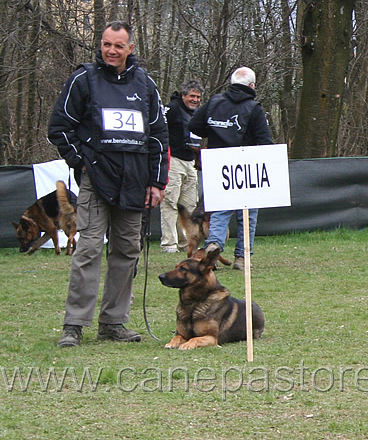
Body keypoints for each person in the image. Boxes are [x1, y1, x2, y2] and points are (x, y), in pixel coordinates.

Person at [48, 21, 169, 347]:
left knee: (127, 251)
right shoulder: (83, 79)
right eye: (106, 44)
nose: (111, 51)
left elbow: (158, 136)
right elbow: (59, 127)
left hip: (135, 182)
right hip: (96, 180)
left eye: (118, 45)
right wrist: (82, 163)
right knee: (87, 249)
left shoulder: (146, 85)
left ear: (130, 48)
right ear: (100, 46)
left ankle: (114, 322)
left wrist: (156, 182)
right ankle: (74, 325)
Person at [189, 67, 273, 270]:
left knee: (219, 210)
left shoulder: (214, 102)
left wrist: (215, 132)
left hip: (219, 164)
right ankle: (242, 258)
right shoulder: (254, 108)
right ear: (252, 86)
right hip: (247, 166)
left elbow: (194, 125)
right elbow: (265, 141)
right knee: (247, 214)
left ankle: (214, 245)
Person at [160, 80, 203, 253]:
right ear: (183, 95)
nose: (195, 100)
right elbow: (159, 130)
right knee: (170, 202)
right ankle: (169, 243)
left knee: (189, 205)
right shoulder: (172, 109)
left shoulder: (197, 113)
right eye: (192, 96)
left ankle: (187, 243)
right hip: (173, 159)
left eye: (198, 97)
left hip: (190, 161)